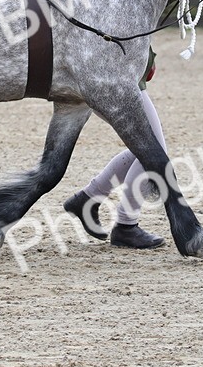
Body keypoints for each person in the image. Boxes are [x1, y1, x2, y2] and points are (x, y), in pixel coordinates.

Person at [64, 47, 167, 249]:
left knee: (145, 149)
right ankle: (126, 226)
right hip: (115, 80)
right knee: (153, 152)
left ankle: (88, 199)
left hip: (115, 77)